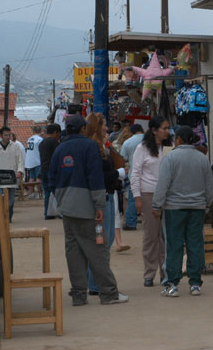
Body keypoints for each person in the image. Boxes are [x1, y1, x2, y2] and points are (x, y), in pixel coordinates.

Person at [47, 114, 128, 306]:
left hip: (67, 209)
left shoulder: (60, 148)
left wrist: (61, 200)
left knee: (73, 252)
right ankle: (108, 293)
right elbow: (95, 177)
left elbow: (50, 179)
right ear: (83, 129)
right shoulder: (90, 146)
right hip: (89, 209)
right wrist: (99, 205)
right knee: (98, 250)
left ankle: (78, 295)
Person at [154, 126, 213, 297]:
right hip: (197, 208)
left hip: (174, 209)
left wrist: (157, 205)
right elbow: (209, 187)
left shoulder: (170, 158)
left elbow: (163, 185)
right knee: (196, 245)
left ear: (179, 139)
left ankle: (172, 284)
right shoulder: (202, 159)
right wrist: (207, 205)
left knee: (174, 245)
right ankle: (195, 284)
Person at [84, 113, 126, 295]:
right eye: (104, 125)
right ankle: (96, 284)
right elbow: (98, 176)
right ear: (96, 127)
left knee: (103, 243)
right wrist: (118, 174)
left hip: (107, 196)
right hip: (102, 200)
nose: (107, 128)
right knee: (101, 243)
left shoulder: (101, 146)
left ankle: (94, 282)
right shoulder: (94, 148)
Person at [131, 117, 170, 287]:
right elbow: (135, 173)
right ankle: (149, 273)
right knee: (150, 236)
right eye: (164, 128)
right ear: (154, 130)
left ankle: (166, 272)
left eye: (168, 128)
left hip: (168, 196)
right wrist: (137, 197)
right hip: (148, 195)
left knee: (166, 237)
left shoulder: (168, 148)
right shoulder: (143, 148)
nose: (167, 132)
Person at [0, 126, 25, 220]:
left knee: (11, 200)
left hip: (12, 176)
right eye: (5, 135)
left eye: (9, 135)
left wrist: (20, 171)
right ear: (0, 135)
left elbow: (20, 160)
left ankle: (8, 217)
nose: (8, 137)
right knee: (0, 199)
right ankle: (2, 218)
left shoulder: (15, 146)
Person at [119, 124, 144, 230]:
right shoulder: (150, 140)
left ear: (131, 132)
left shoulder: (127, 142)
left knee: (132, 199)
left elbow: (122, 159)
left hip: (133, 174)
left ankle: (130, 223)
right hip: (150, 175)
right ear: (142, 130)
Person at [39, 123, 61, 219]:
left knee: (47, 192)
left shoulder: (42, 143)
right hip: (52, 170)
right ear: (56, 132)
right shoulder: (54, 142)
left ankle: (47, 213)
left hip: (43, 169)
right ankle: (60, 212)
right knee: (57, 192)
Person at [25, 126, 44, 199]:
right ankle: (39, 193)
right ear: (40, 131)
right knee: (39, 177)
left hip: (30, 160)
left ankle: (31, 193)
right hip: (37, 159)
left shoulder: (29, 139)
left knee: (31, 177)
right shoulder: (40, 139)